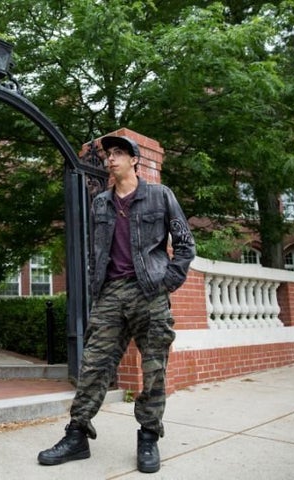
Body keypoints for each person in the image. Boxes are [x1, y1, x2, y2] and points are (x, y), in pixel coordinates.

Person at [37, 135, 195, 473]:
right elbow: (97, 251)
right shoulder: (101, 203)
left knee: (153, 370)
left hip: (149, 293)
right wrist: (97, 284)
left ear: (135, 160)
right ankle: (77, 434)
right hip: (111, 294)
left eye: (118, 153)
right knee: (93, 364)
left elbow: (185, 245)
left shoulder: (160, 196)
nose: (110, 159)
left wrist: (167, 282)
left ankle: (149, 436)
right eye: (108, 154)